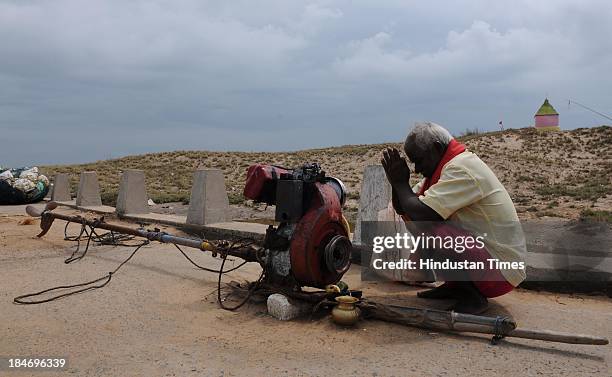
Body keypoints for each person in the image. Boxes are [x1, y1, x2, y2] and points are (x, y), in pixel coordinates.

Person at [380, 122, 526, 314]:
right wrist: (396, 183)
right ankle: (457, 287)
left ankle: (472, 299)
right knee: (423, 226)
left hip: (500, 273)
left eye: (418, 161)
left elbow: (422, 212)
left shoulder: (462, 169)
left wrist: (401, 183)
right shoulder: (443, 169)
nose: (416, 169)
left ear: (437, 149)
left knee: (433, 229)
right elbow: (406, 208)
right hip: (489, 264)